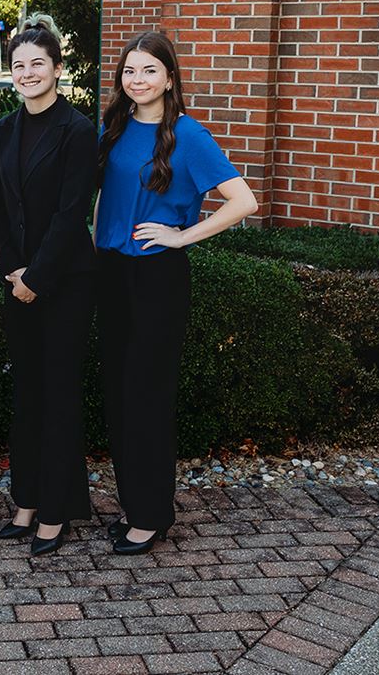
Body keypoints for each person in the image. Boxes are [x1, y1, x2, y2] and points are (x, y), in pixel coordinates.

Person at [95, 31, 258, 554]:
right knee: (119, 395)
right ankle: (132, 504)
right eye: (129, 71)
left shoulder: (187, 135)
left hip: (157, 278)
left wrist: (181, 235)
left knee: (146, 396)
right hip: (111, 273)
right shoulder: (114, 128)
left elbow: (243, 201)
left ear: (169, 77)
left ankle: (151, 516)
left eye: (148, 71)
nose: (137, 81)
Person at [0, 15, 97, 556]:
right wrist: (12, 271)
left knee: (57, 394)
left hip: (65, 283)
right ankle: (25, 501)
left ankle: (56, 508)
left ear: (57, 68)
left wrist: (38, 276)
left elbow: (72, 214)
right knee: (26, 395)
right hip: (17, 282)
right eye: (18, 65)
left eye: (37, 63)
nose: (27, 73)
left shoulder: (78, 131)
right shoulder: (3, 130)